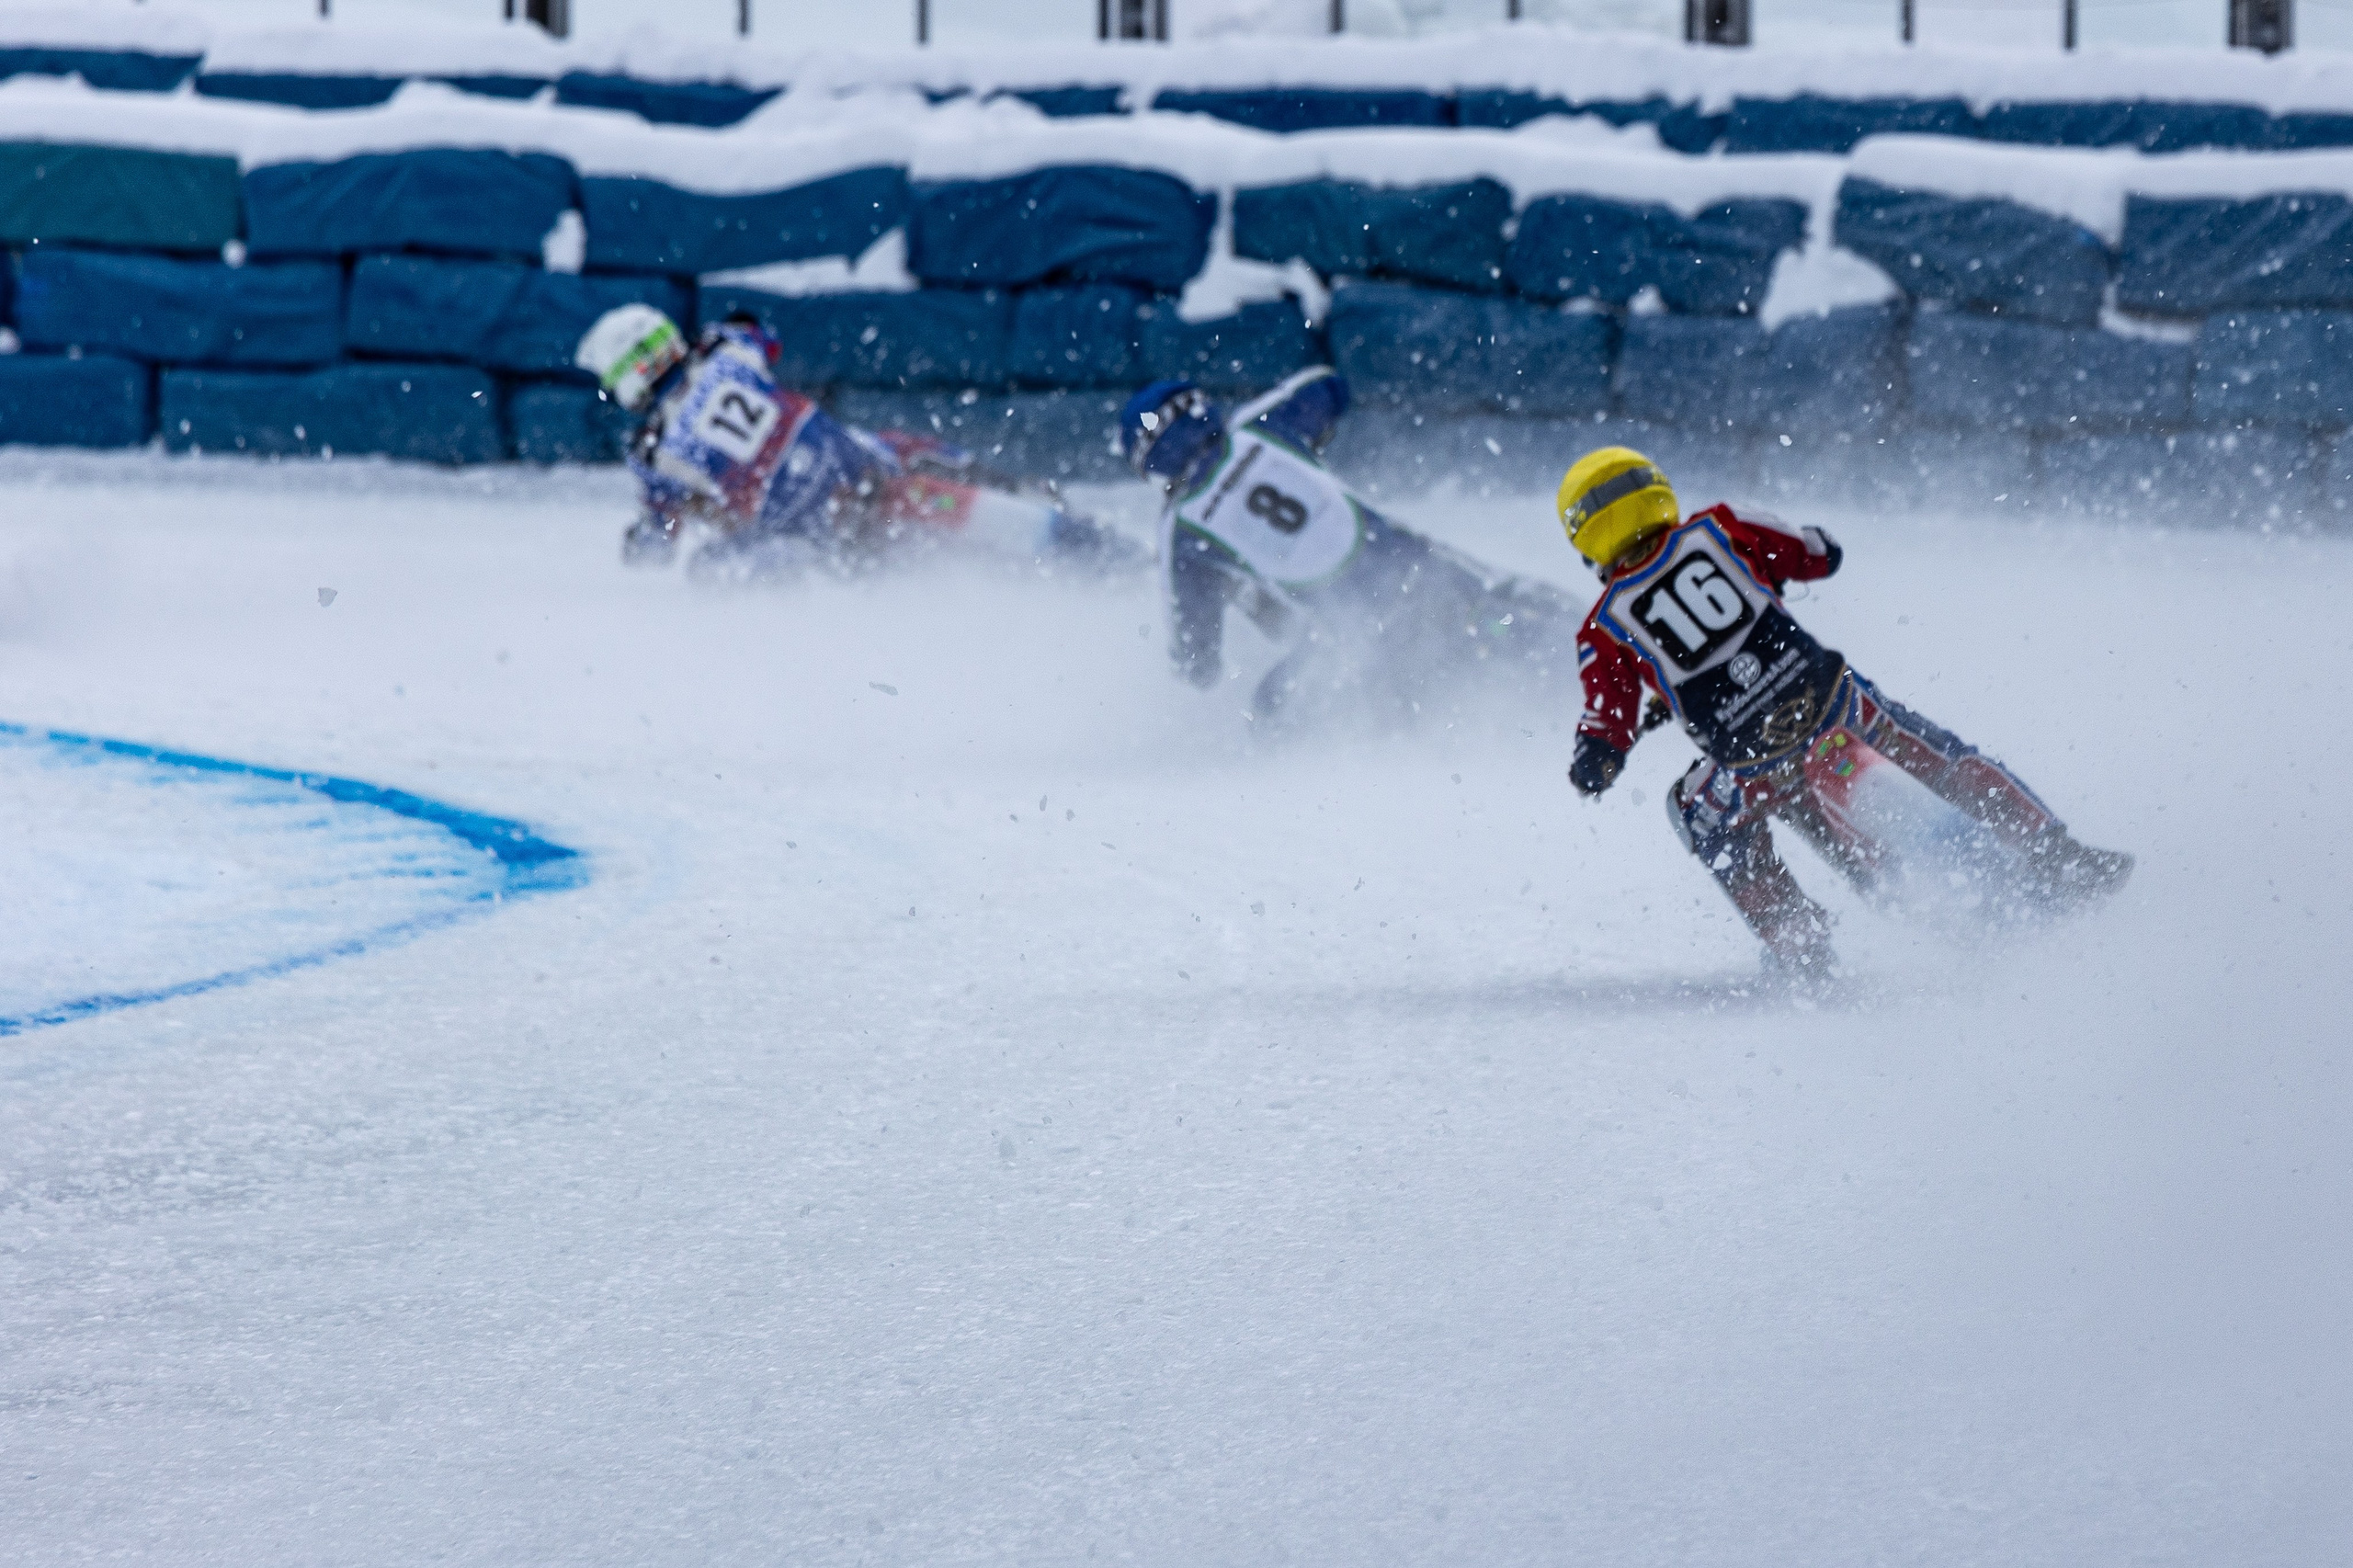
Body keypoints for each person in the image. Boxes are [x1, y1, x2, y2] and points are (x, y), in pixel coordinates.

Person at [1555, 445, 2131, 974]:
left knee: (1696, 812)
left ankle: (1798, 943)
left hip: (1757, 765)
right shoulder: (1724, 526)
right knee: (1942, 757)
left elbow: (1606, 731)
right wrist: (1799, 553)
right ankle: (2054, 852)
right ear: (1656, 489)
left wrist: (1593, 769)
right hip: (1837, 707)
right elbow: (1817, 554)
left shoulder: (1605, 629)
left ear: (1586, 538)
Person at [1119, 367, 1577, 726]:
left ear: (1149, 461)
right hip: (1415, 565)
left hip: (1357, 638)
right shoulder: (1261, 428)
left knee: (1268, 715)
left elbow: (1199, 664)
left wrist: (1225, 606)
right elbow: (1327, 387)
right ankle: (1602, 653)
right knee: (1499, 610)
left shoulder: (1181, 532)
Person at [573, 304, 1138, 575]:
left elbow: (657, 544)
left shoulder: (655, 454)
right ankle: (1068, 526)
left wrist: (643, 538)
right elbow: (761, 335)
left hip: (819, 537)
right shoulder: (726, 353)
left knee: (710, 573)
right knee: (920, 456)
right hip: (870, 475)